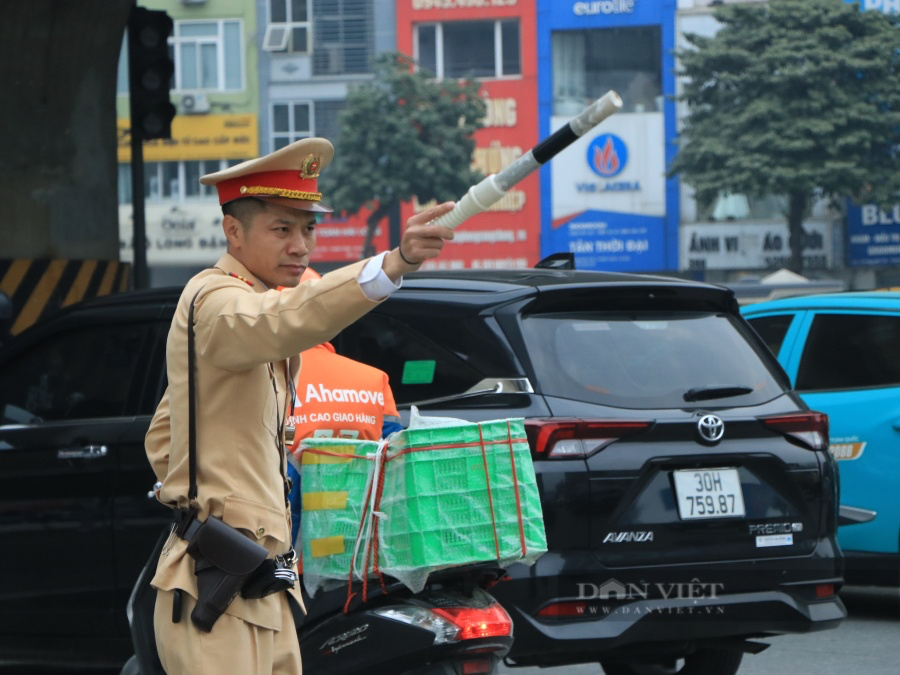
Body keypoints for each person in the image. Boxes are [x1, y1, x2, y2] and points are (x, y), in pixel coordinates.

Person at [144, 137, 455, 675]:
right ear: (233, 231)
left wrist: (207, 481)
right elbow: (288, 319)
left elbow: (164, 436)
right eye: (282, 229)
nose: (300, 246)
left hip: (262, 577)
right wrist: (395, 262)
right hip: (216, 584)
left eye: (309, 229)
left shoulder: (246, 307)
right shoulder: (215, 301)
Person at [284, 268, 403, 548]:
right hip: (354, 551)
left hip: (284, 556)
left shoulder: (265, 375)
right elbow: (394, 460)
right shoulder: (374, 378)